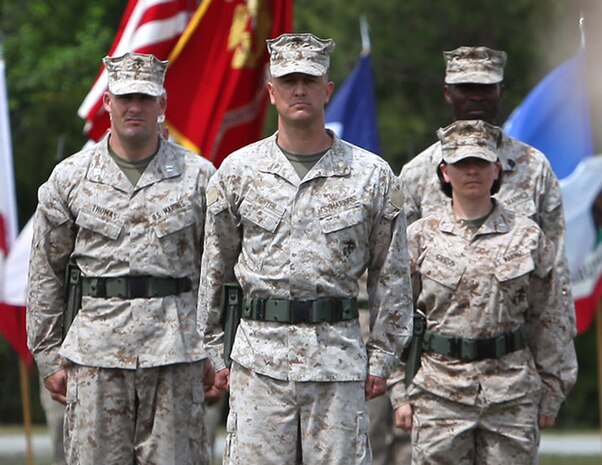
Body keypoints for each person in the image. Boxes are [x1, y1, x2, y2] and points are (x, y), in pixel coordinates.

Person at [199, 32, 413, 465]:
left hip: (337, 364)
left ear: (327, 90)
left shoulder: (371, 176)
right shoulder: (238, 172)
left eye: (310, 80)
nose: (300, 89)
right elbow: (215, 270)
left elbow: (392, 278)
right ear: (272, 91)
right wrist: (212, 351)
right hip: (259, 365)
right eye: (289, 80)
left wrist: (383, 359)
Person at [26, 52, 216, 465]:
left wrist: (214, 350)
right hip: (96, 355)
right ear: (107, 103)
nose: (135, 107)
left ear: (162, 105)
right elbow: (46, 272)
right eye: (125, 97)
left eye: (145, 99)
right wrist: (46, 354)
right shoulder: (71, 177)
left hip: (176, 353)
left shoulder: (200, 176)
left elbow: (218, 271)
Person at [394, 119, 577, 464]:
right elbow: (394, 317)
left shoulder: (527, 237)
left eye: (480, 162)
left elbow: (550, 314)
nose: (472, 171)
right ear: (445, 172)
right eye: (462, 164)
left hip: (511, 393)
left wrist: (553, 389)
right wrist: (397, 392)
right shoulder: (419, 237)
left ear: (496, 170)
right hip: (439, 395)